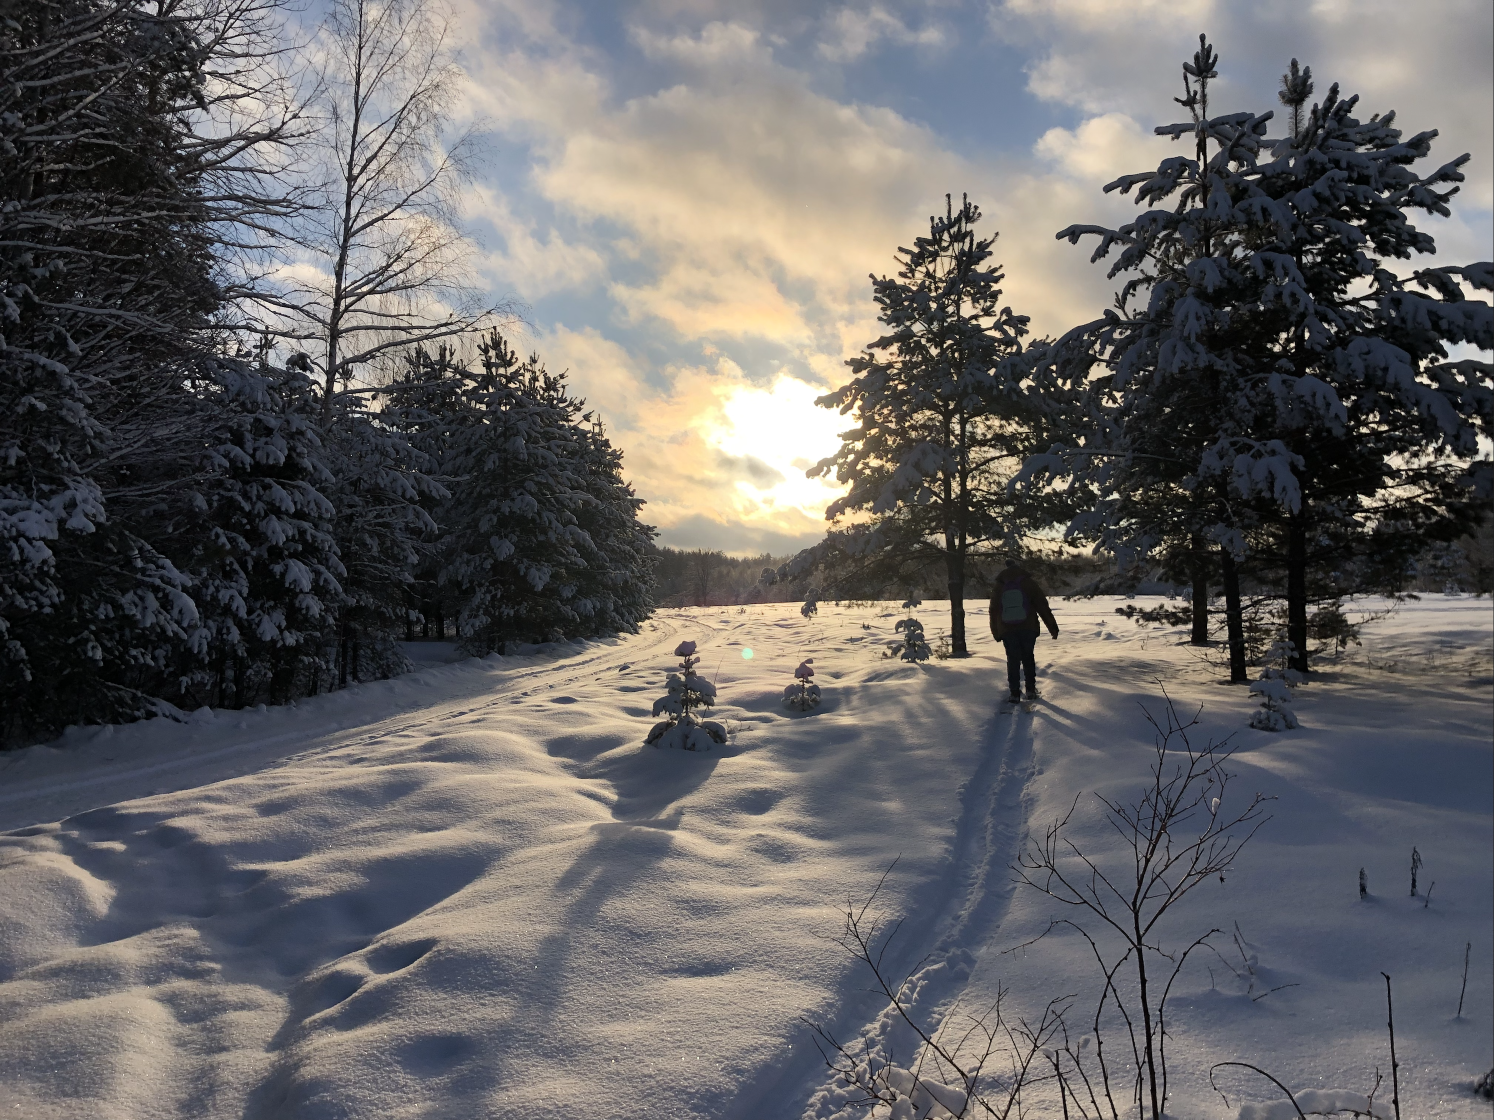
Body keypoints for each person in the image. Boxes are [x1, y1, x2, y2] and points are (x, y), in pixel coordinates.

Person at [989, 558, 1059, 704]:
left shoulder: (1000, 585)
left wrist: (996, 631)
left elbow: (993, 610)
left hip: (1007, 628)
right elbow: (1042, 606)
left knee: (1012, 660)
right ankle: (1031, 690)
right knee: (1028, 657)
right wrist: (1052, 627)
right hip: (1028, 627)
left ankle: (1014, 693)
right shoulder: (1028, 582)